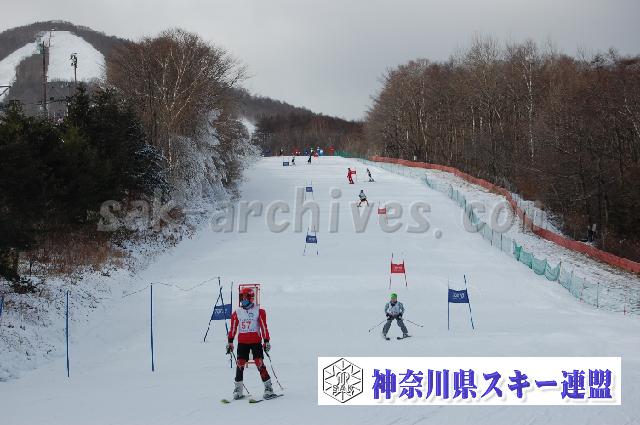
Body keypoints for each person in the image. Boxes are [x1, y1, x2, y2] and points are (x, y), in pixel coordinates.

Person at [226, 287, 273, 400]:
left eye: (245, 297)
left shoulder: (259, 311)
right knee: (240, 364)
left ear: (251, 298)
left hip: (255, 342)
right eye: (241, 298)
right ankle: (238, 389)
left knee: (259, 363)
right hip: (242, 343)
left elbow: (264, 327)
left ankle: (268, 388)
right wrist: (230, 341)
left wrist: (266, 341)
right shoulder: (237, 312)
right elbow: (233, 328)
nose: (243, 300)